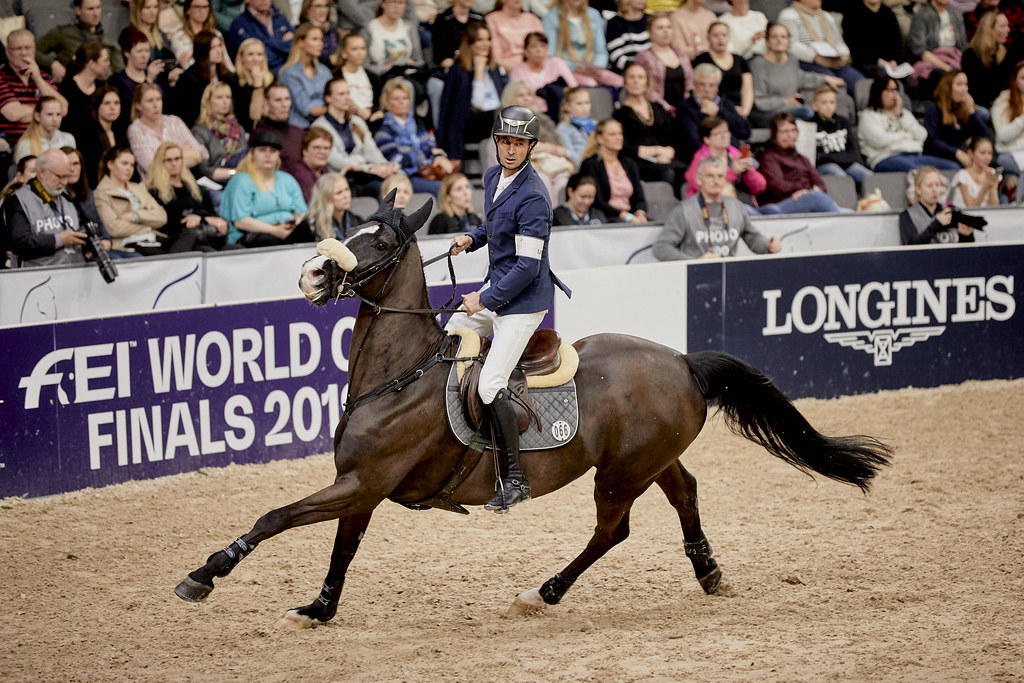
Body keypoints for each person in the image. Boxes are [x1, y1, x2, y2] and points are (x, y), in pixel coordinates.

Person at [445, 105, 571, 513]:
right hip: (497, 288)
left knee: (489, 384)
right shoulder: (492, 176)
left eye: (518, 143)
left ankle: (514, 478)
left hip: (521, 302)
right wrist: (474, 237)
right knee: (450, 329)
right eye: (505, 142)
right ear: (496, 143)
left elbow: (527, 266)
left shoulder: (535, 195)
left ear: (531, 146)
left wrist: (484, 299)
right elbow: (496, 225)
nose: (510, 150)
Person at [654, 156, 781, 260]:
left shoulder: (736, 206)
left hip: (730, 274)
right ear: (699, 179)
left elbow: (752, 237)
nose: (716, 181)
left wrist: (767, 246)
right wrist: (695, 262)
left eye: (720, 176)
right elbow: (662, 247)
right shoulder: (684, 210)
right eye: (710, 176)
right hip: (696, 276)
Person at [219, 129, 311, 246]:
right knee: (268, 240)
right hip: (252, 235)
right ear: (252, 153)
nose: (268, 155)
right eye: (262, 150)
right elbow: (240, 221)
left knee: (308, 228)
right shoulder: (242, 180)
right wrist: (274, 230)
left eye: (273, 151)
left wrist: (294, 224)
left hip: (286, 231)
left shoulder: (287, 179)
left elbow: (301, 213)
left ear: (278, 154)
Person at [3, 149, 90, 268]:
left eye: (67, 176)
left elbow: (84, 223)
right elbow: (20, 243)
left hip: (75, 271)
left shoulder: (65, 194)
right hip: (38, 279)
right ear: (42, 172)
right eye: (60, 176)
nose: (64, 182)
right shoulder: (18, 200)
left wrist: (89, 241)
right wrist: (59, 240)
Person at [311, 78, 395, 198]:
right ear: (328, 98)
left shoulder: (357, 122)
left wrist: (383, 165)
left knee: (396, 182)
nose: (347, 98)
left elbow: (371, 151)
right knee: (382, 190)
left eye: (348, 93)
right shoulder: (319, 127)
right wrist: (367, 167)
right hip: (340, 179)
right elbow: (336, 161)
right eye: (341, 94)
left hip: (365, 174)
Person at [749, 22, 843, 127]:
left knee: (799, 121)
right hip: (766, 114)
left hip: (792, 111)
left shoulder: (792, 60)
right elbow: (760, 101)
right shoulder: (758, 63)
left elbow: (802, 78)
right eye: (774, 37)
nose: (779, 40)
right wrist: (786, 101)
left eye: (783, 36)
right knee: (807, 111)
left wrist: (826, 78)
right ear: (767, 42)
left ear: (788, 42)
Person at [858, 77, 961, 172]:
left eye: (896, 90)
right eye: (890, 90)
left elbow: (922, 135)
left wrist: (900, 116)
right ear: (879, 92)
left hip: (915, 155)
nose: (895, 94)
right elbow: (880, 140)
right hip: (885, 158)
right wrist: (906, 136)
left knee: (953, 168)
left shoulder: (904, 113)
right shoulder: (868, 116)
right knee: (917, 172)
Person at [438, 21, 508, 162]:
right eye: (479, 40)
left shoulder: (494, 70)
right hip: (472, 125)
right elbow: (477, 105)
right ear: (470, 43)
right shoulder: (458, 71)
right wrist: (479, 73)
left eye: (488, 39)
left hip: (497, 120)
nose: (485, 44)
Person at [373, 77, 454, 196]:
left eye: (405, 98)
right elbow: (396, 159)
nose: (401, 102)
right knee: (442, 189)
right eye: (396, 99)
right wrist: (427, 159)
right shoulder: (382, 129)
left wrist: (438, 156)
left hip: (426, 172)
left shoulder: (418, 124)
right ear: (387, 103)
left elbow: (431, 148)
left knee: (464, 185)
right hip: (406, 176)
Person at [145, 140, 230, 250]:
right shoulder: (154, 191)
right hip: (178, 241)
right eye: (168, 160)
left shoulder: (194, 187)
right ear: (160, 163)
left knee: (234, 249)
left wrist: (201, 218)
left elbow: (211, 213)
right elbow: (165, 224)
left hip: (205, 236)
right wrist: (196, 219)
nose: (174, 163)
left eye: (177, 159)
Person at [614, 62, 684, 191]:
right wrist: (656, 152)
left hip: (666, 158)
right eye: (631, 77)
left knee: (686, 171)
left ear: (646, 82)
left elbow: (674, 136)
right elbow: (624, 147)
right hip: (639, 162)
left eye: (640, 77)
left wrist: (669, 152)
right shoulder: (620, 114)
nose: (636, 81)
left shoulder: (658, 108)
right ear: (625, 82)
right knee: (668, 173)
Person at [757, 112, 841, 213]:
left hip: (806, 199)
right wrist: (807, 189)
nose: (790, 135)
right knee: (816, 197)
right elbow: (779, 187)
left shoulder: (802, 159)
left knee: (848, 212)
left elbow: (821, 186)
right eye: (784, 131)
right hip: (780, 204)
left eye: (793, 130)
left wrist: (806, 192)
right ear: (774, 134)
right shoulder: (769, 157)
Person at [684, 115, 769, 212]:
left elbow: (760, 187)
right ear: (706, 139)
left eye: (726, 132)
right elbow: (701, 186)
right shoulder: (701, 159)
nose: (724, 136)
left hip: (749, 205)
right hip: (719, 210)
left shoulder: (736, 154)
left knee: (772, 210)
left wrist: (748, 172)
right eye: (718, 133)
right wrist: (732, 172)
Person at [93, 144, 169, 253]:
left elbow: (162, 216)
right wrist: (147, 227)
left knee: (190, 242)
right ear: (110, 164)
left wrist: (133, 216)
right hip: (128, 244)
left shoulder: (138, 188)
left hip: (153, 238)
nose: (129, 168)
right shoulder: (100, 193)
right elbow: (113, 228)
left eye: (132, 165)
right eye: (124, 164)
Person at [0, 30, 69, 148]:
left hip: (48, 144)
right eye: (18, 49)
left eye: (28, 48)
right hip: (16, 146)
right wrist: (51, 113)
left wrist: (38, 80)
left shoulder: (43, 77)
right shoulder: (2, 78)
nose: (24, 53)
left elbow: (63, 108)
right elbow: (13, 113)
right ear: (8, 52)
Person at [777, 0, 863, 93]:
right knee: (835, 85)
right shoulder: (788, 15)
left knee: (861, 83)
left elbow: (839, 41)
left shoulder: (827, 16)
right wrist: (816, 57)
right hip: (806, 63)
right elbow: (790, 45)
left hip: (833, 61)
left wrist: (843, 55)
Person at [127, 81, 208, 175]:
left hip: (185, 182)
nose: (155, 105)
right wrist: (182, 152)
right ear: (139, 105)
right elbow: (150, 166)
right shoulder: (136, 129)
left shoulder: (174, 121)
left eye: (158, 99)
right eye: (150, 101)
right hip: (155, 185)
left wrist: (164, 159)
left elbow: (201, 154)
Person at [676, 63, 752, 162]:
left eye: (711, 85)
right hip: (704, 160)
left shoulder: (726, 104)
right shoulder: (685, 107)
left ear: (717, 88)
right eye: (702, 84)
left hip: (733, 156)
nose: (707, 90)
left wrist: (718, 112)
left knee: (753, 165)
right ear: (693, 86)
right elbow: (693, 141)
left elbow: (745, 130)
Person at [579, 118, 648, 223]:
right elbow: (597, 202)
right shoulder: (590, 165)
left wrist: (640, 213)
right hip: (606, 218)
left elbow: (639, 197)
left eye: (620, 134)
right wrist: (626, 216)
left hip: (631, 217)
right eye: (612, 134)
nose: (618, 138)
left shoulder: (629, 163)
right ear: (599, 138)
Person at [35, 0, 124, 82]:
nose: (96, 13)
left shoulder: (109, 41)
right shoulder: (64, 33)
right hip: (74, 89)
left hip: (103, 90)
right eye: (90, 9)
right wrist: (52, 64)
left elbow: (120, 75)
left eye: (98, 7)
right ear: (78, 10)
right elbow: (33, 51)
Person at [542, 0, 624, 88]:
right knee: (591, 84)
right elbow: (551, 55)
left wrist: (596, 67)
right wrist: (576, 67)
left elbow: (601, 51)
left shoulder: (593, 14)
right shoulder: (551, 18)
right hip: (567, 69)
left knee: (620, 82)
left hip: (593, 68)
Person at [923, 70, 993, 168]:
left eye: (965, 84)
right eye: (959, 84)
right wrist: (956, 152)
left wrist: (973, 112)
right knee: (956, 166)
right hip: (941, 156)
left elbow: (983, 137)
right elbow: (932, 141)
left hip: (962, 154)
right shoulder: (934, 109)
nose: (964, 89)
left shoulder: (962, 109)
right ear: (948, 87)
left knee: (998, 167)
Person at [809, 83, 871, 187]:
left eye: (832, 102)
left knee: (870, 177)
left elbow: (852, 151)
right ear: (814, 105)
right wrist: (837, 158)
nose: (829, 106)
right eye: (824, 102)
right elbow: (814, 157)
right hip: (824, 166)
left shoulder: (843, 122)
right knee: (841, 176)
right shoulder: (809, 125)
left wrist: (833, 157)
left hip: (847, 164)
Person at [632, 13, 693, 115]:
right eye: (660, 28)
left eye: (668, 27)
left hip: (684, 110)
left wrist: (686, 107)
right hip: (657, 110)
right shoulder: (644, 57)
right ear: (649, 33)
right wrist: (668, 108)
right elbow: (646, 90)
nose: (666, 31)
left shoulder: (681, 54)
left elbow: (690, 83)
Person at [900, 165, 975, 244]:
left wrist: (967, 235)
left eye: (938, 185)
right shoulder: (908, 216)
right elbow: (911, 246)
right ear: (918, 189)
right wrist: (936, 224)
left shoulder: (951, 212)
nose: (935, 190)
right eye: (929, 186)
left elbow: (968, 248)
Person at [191, 81, 248, 183]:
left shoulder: (238, 128)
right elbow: (203, 169)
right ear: (208, 102)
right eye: (219, 97)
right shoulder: (200, 131)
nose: (225, 101)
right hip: (214, 181)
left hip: (241, 177)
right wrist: (233, 172)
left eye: (228, 97)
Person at [693, 22, 754, 118]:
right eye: (715, 35)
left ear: (729, 37)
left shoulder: (739, 60)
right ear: (708, 37)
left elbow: (747, 89)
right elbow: (697, 87)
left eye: (724, 35)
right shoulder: (701, 60)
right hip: (712, 107)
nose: (720, 39)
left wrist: (745, 110)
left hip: (739, 107)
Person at [962, 11, 1021, 109]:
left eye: (1007, 26)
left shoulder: (1005, 53)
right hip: (980, 105)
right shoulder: (971, 55)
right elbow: (977, 91)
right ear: (989, 29)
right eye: (1002, 26)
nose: (1008, 29)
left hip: (1002, 104)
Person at [508, 31, 578, 115]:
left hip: (562, 111)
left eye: (543, 46)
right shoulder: (517, 72)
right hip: (535, 114)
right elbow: (518, 98)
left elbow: (574, 88)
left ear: (547, 49)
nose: (539, 50)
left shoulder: (557, 63)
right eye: (533, 46)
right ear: (526, 51)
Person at [909, 0, 969, 97]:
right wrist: (945, 67)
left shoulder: (956, 15)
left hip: (955, 58)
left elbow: (963, 46)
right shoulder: (921, 15)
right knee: (941, 75)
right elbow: (919, 49)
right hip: (933, 60)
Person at [277, 24, 332, 129]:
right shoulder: (289, 73)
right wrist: (335, 109)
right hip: (300, 128)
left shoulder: (324, 70)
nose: (320, 44)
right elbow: (307, 109)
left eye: (321, 40)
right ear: (301, 42)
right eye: (315, 39)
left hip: (325, 124)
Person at [172, 30, 230, 127]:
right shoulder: (189, 79)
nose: (219, 51)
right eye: (213, 47)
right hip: (199, 127)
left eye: (220, 46)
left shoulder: (228, 77)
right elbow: (187, 113)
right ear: (203, 50)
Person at [58, 43, 112, 145]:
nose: (108, 64)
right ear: (92, 64)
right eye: (105, 60)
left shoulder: (101, 88)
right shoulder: (68, 88)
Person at [360, 0, 426, 81]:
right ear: (383, 4)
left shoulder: (409, 27)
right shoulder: (369, 28)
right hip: (381, 78)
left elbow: (419, 61)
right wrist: (390, 66)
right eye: (392, 2)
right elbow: (365, 64)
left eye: (401, 3)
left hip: (408, 76)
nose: (397, 6)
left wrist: (411, 63)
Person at [841, 0, 905, 80]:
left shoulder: (888, 13)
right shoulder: (852, 15)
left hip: (892, 64)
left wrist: (894, 61)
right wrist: (879, 62)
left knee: (910, 82)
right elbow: (855, 48)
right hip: (866, 62)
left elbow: (897, 43)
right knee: (884, 77)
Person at [251, 81, 306, 173]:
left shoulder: (299, 132)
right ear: (266, 103)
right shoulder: (260, 134)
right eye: (278, 100)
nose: (284, 105)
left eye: (287, 99)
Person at [228, 0, 295, 74]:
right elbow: (264, 57)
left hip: (287, 69)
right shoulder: (239, 24)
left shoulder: (281, 18)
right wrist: (282, 44)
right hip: (259, 74)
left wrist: (267, 43)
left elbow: (296, 47)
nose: (264, 0)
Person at [295, 171, 364, 240]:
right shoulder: (309, 226)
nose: (346, 195)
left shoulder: (357, 221)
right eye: (339, 193)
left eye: (347, 189)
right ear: (325, 197)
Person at [332, 32, 382, 125]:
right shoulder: (336, 76)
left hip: (372, 121)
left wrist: (373, 112)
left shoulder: (373, 77)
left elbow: (378, 103)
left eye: (363, 48)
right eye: (354, 49)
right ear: (344, 53)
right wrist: (358, 111)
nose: (360, 53)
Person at [224, 38, 273, 131]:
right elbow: (254, 117)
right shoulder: (232, 80)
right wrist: (257, 84)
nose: (255, 59)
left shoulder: (271, 80)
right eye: (250, 54)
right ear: (241, 57)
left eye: (259, 54)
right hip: (242, 131)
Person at [992, 60, 1024, 197]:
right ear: (1015, 79)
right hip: (1008, 154)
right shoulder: (1003, 101)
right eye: (1023, 78)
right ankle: (1020, 206)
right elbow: (1003, 136)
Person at [485, 0, 545, 73]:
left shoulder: (532, 19)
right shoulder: (491, 19)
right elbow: (495, 57)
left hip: (537, 69)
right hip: (507, 71)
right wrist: (523, 70)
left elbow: (543, 49)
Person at [13, 97, 76, 163]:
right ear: (37, 116)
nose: (55, 119)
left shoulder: (68, 139)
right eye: (49, 114)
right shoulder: (25, 143)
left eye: (58, 114)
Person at [430, 0, 485, 70]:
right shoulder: (443, 19)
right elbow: (438, 50)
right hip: (452, 65)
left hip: (476, 62)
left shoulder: (479, 19)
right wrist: (444, 60)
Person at [168, 0, 222, 67]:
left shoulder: (216, 34)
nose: (202, 11)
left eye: (205, 7)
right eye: (197, 7)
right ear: (188, 10)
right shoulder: (180, 37)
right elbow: (187, 66)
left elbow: (226, 63)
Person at [950, 136, 1001, 206]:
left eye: (990, 153)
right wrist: (985, 187)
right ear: (971, 153)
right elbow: (971, 207)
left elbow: (994, 207)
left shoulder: (993, 173)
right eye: (982, 153)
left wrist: (993, 187)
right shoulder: (962, 175)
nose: (987, 157)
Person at [605, 0, 651, 74]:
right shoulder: (615, 23)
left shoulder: (650, 19)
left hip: (653, 67)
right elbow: (616, 55)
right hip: (627, 71)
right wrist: (636, 67)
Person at [289, 125, 332, 200]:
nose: (322, 152)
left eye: (326, 148)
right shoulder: (298, 174)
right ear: (305, 150)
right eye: (317, 147)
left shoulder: (324, 171)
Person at [556, 86, 595, 167]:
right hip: (582, 167)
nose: (585, 107)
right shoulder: (563, 128)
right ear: (567, 106)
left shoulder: (595, 124)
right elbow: (570, 155)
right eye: (579, 104)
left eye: (587, 103)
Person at [298, 0, 341, 67]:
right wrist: (328, 59)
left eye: (326, 6)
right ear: (307, 9)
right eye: (318, 6)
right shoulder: (301, 30)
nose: (323, 10)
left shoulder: (332, 29)